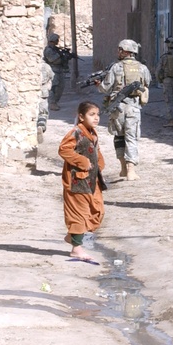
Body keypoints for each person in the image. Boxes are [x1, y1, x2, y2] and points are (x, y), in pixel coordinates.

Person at [58, 101, 106, 261]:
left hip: (92, 180)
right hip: (76, 181)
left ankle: (73, 237)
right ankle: (76, 248)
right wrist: (82, 162)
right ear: (81, 116)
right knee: (78, 214)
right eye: (92, 115)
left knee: (97, 210)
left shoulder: (92, 132)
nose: (96, 118)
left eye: (97, 114)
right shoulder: (76, 132)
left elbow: (96, 150)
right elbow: (64, 149)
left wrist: (99, 163)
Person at [98, 39, 151, 181]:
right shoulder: (142, 68)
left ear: (125, 51)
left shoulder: (115, 67)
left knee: (119, 137)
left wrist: (98, 84)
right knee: (131, 137)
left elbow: (105, 87)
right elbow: (147, 83)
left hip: (118, 107)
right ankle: (131, 171)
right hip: (134, 107)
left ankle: (123, 168)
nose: (118, 52)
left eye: (120, 49)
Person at [43, 33, 72, 111]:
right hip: (52, 70)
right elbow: (52, 59)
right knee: (53, 87)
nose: (57, 42)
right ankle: (52, 103)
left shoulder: (56, 49)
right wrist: (60, 55)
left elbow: (62, 59)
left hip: (59, 70)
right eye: (56, 40)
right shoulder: (48, 50)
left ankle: (55, 102)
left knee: (61, 87)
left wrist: (66, 56)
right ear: (52, 41)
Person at [37, 61, 53, 142]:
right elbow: (51, 77)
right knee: (43, 113)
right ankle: (41, 127)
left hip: (33, 92)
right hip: (43, 92)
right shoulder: (46, 66)